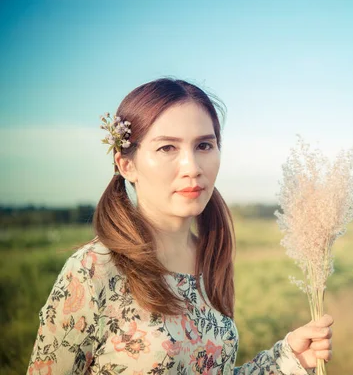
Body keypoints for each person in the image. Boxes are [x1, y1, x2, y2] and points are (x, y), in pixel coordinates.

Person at [27, 78, 333, 374]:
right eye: (167, 148)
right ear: (127, 165)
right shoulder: (93, 270)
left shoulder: (211, 259)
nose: (192, 167)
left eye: (203, 145)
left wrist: (288, 359)